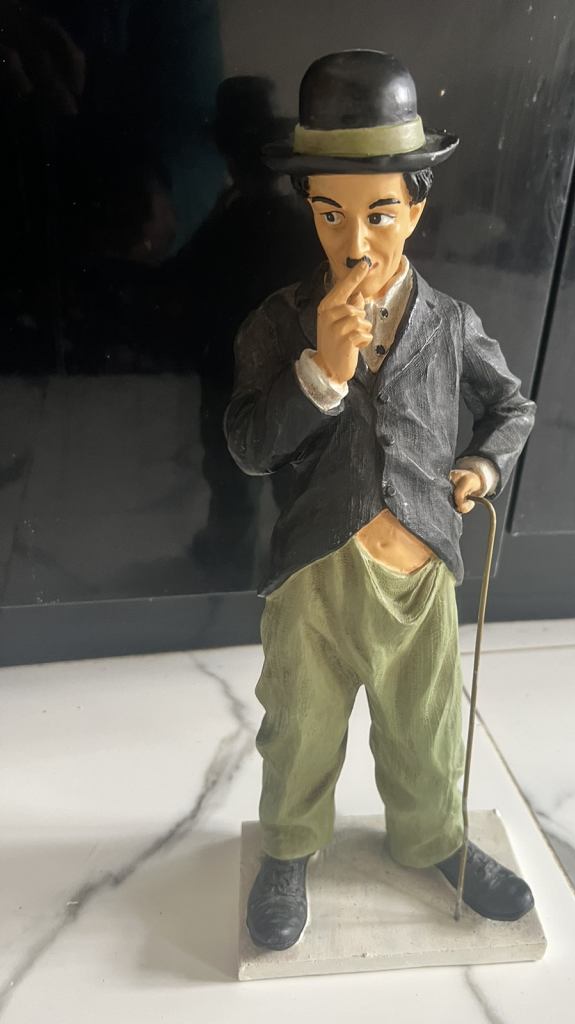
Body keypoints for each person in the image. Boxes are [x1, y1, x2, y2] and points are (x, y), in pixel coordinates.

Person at [224, 50, 537, 952]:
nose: (355, 243)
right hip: (315, 575)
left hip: (419, 571)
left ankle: (435, 840)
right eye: (330, 214)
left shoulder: (451, 323)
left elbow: (513, 406)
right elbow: (248, 447)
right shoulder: (280, 322)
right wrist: (319, 373)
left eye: (379, 214)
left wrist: (481, 467)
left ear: (417, 208)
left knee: (426, 728)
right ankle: (288, 851)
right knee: (300, 725)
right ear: (308, 209)